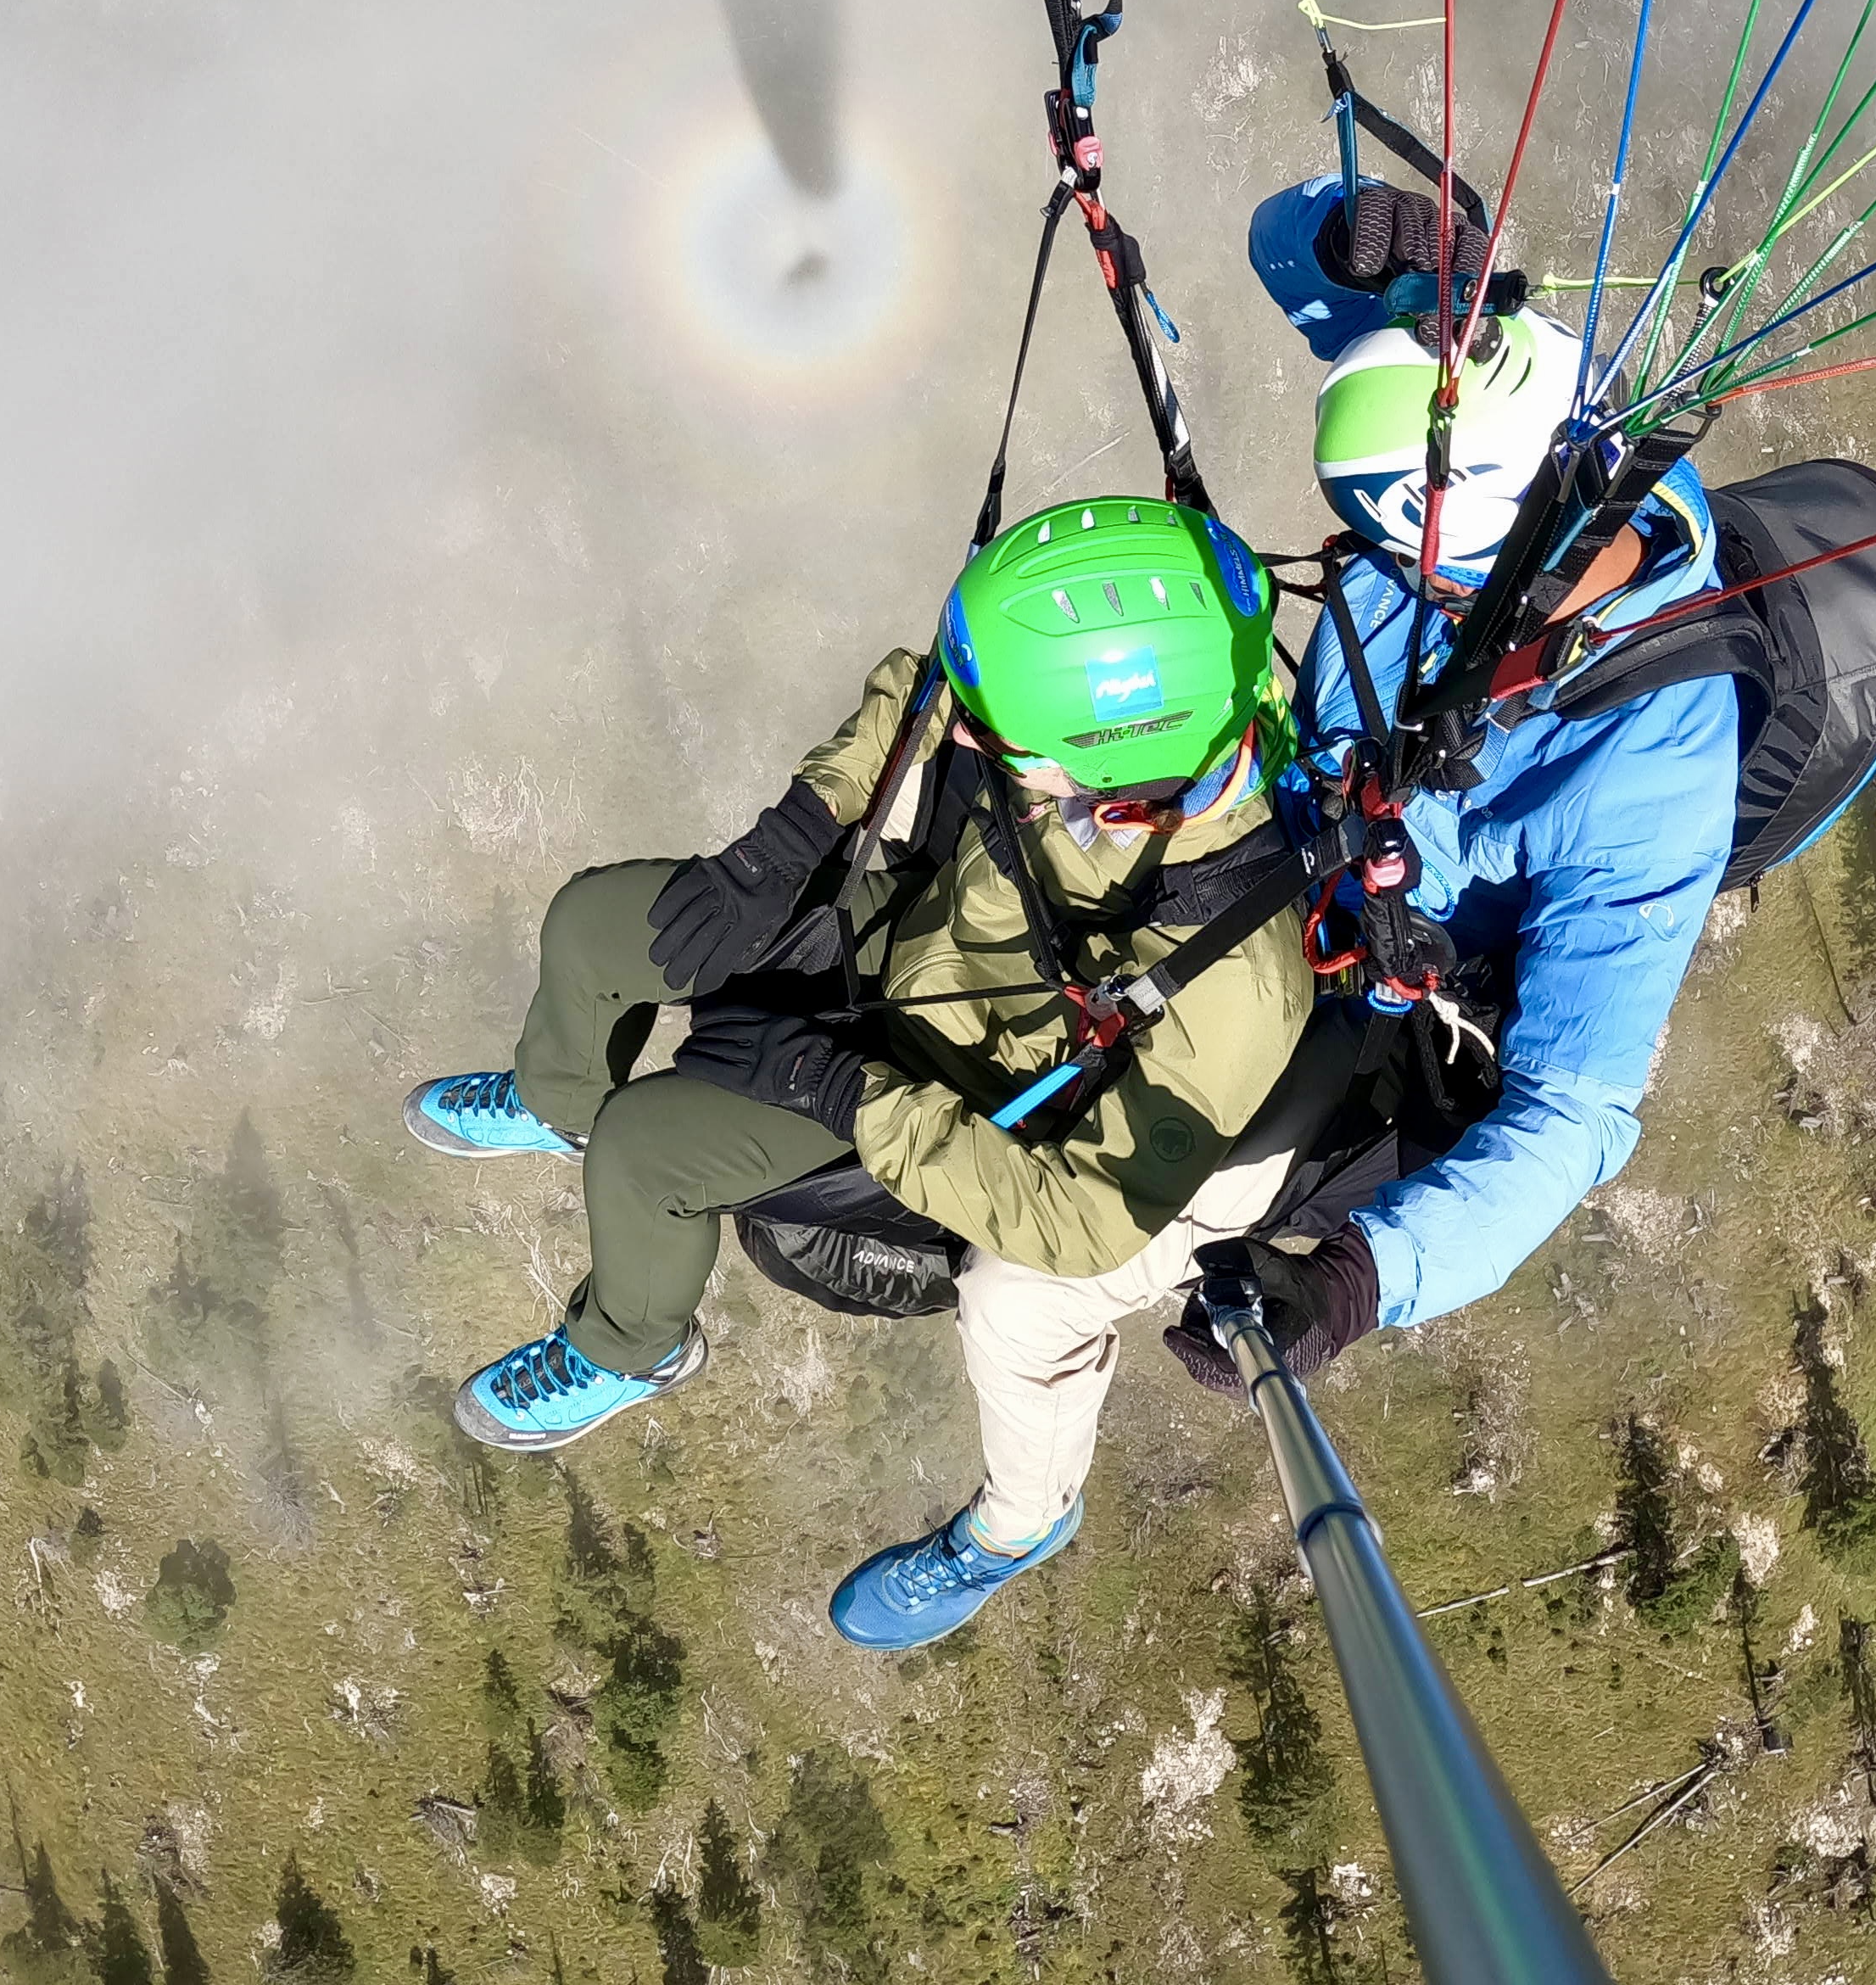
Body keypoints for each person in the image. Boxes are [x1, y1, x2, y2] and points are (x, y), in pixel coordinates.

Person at [402, 494, 1314, 1638]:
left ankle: (629, 1347)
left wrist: (839, 1091)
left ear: (1119, 777)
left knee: (646, 1157)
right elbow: (926, 693)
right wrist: (786, 838)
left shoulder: (1235, 982)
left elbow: (1085, 1222)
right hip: (904, 939)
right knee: (593, 928)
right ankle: (560, 1101)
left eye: (1007, 747)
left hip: (950, 1086)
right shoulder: (1189, 701)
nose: (973, 739)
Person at [1166, 243, 1746, 1397]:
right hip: (1304, 821)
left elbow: (1571, 1116)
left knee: (1104, 1234)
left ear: (1479, 555)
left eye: (1416, 566)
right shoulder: (1510, 417)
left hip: (1363, 987)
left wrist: (1359, 1281)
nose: (1390, 570)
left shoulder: (1652, 785)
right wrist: (1352, 239)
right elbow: (1289, 251)